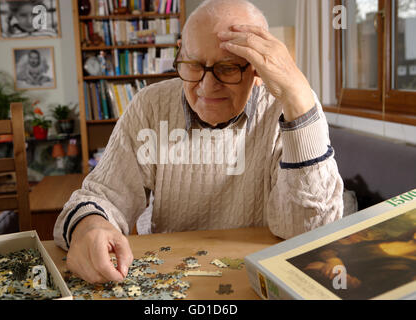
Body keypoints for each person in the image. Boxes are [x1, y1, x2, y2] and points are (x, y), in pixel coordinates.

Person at [54, 0, 345, 284]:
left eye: (228, 68)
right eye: (193, 65)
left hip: (257, 280)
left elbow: (309, 232)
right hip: (169, 278)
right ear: (180, 53)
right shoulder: (150, 105)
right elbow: (103, 195)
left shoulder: (291, 107)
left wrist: (297, 98)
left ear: (257, 70)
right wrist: (88, 226)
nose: (206, 87)